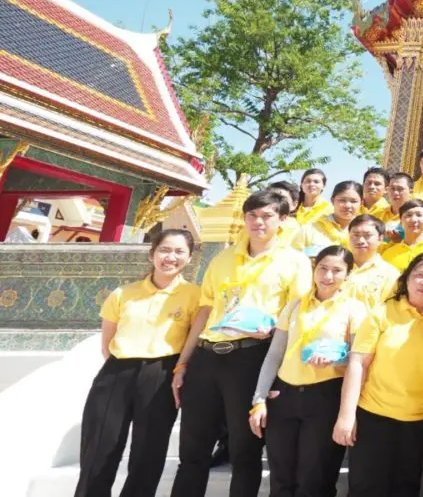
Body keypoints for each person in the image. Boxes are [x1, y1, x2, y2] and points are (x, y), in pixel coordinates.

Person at [171, 190, 312, 497]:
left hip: (252, 357)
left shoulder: (295, 262)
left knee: (244, 450)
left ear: (283, 220)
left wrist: (273, 328)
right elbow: (205, 311)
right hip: (207, 357)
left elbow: (298, 315)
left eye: (267, 216)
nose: (258, 222)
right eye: (252, 216)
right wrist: (184, 363)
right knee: (192, 451)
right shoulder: (222, 259)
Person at [76, 230, 200, 497]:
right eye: (164, 250)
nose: (171, 257)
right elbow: (107, 340)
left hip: (162, 374)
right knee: (99, 447)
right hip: (117, 372)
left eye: (179, 252)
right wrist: (120, 368)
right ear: (152, 253)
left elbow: (193, 339)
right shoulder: (123, 293)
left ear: (189, 258)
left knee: (148, 452)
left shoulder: (195, 296)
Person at [249, 245, 365, 496]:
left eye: (337, 270)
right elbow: (274, 354)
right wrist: (259, 399)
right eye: (323, 268)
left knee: (314, 478)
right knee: (281, 476)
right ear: (314, 269)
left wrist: (334, 362)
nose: (328, 276)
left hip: (325, 396)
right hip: (284, 394)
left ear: (348, 274)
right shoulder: (295, 304)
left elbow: (359, 361)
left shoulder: (354, 309)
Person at [335, 251, 423, 497]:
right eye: (419, 275)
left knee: (408, 488)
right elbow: (357, 364)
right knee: (366, 488)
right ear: (406, 279)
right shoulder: (381, 313)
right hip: (375, 417)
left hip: (421, 421)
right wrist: (346, 416)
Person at [344, 214, 401, 308]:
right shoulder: (336, 266)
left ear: (380, 238)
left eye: (367, 235)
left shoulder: (390, 274)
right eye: (355, 235)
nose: (360, 240)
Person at [294, 180, 363, 256]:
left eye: (353, 201)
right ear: (332, 200)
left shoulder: (367, 232)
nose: (347, 205)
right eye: (342, 200)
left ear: (361, 203)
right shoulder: (310, 230)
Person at [381, 199, 423, 271]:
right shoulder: (388, 254)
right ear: (401, 221)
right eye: (408, 215)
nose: (414, 220)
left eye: (419, 215)